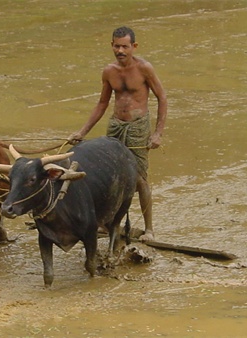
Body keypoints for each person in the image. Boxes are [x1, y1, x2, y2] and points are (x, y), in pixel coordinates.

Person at [68, 26, 167, 241]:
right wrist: (82, 132)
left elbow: (162, 98)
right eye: (116, 46)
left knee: (139, 179)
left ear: (134, 46)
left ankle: (149, 229)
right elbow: (102, 103)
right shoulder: (109, 71)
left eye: (124, 46)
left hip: (138, 127)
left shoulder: (144, 68)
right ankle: (108, 223)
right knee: (110, 176)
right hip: (115, 125)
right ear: (111, 45)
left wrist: (158, 133)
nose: (120, 50)